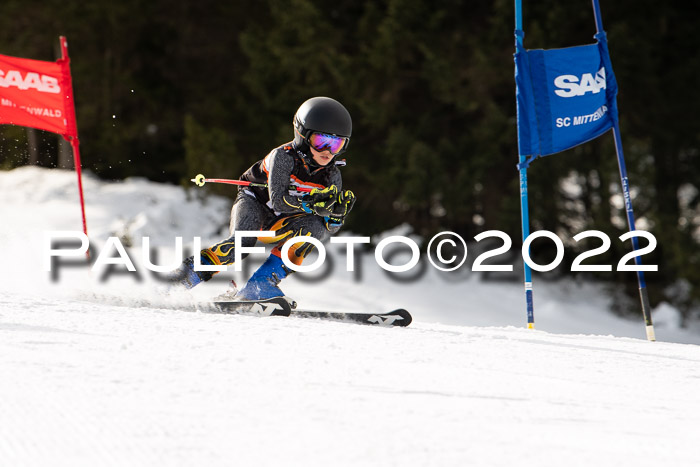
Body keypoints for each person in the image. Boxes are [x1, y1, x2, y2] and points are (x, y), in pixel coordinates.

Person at [170, 96, 355, 301]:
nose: (328, 152)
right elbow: (278, 201)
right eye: (321, 142)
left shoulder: (332, 175)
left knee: (316, 229)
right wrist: (312, 204)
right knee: (242, 245)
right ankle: (182, 280)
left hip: (283, 218)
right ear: (303, 135)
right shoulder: (284, 157)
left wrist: (334, 216)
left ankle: (260, 285)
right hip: (255, 202)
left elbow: (329, 229)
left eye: (337, 144)